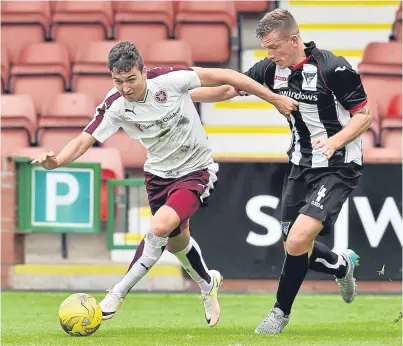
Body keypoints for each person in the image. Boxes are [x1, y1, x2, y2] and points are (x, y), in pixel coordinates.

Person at [31, 41, 297, 328]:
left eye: (131, 79)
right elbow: (85, 139)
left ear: (144, 72)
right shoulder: (115, 105)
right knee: (175, 243)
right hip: (158, 176)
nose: (126, 88)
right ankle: (208, 283)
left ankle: (116, 294)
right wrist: (56, 161)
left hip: (196, 170)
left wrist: (274, 98)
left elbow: (228, 77)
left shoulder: (170, 80)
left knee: (158, 227)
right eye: (118, 81)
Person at [190, 9, 372, 334]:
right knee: (293, 244)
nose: (269, 55)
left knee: (299, 238)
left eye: (274, 48)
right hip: (300, 166)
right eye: (265, 49)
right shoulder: (271, 71)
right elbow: (228, 89)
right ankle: (341, 264)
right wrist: (182, 95)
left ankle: (279, 313)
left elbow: (365, 116)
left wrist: (334, 142)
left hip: (339, 165)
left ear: (294, 39)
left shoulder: (333, 67)